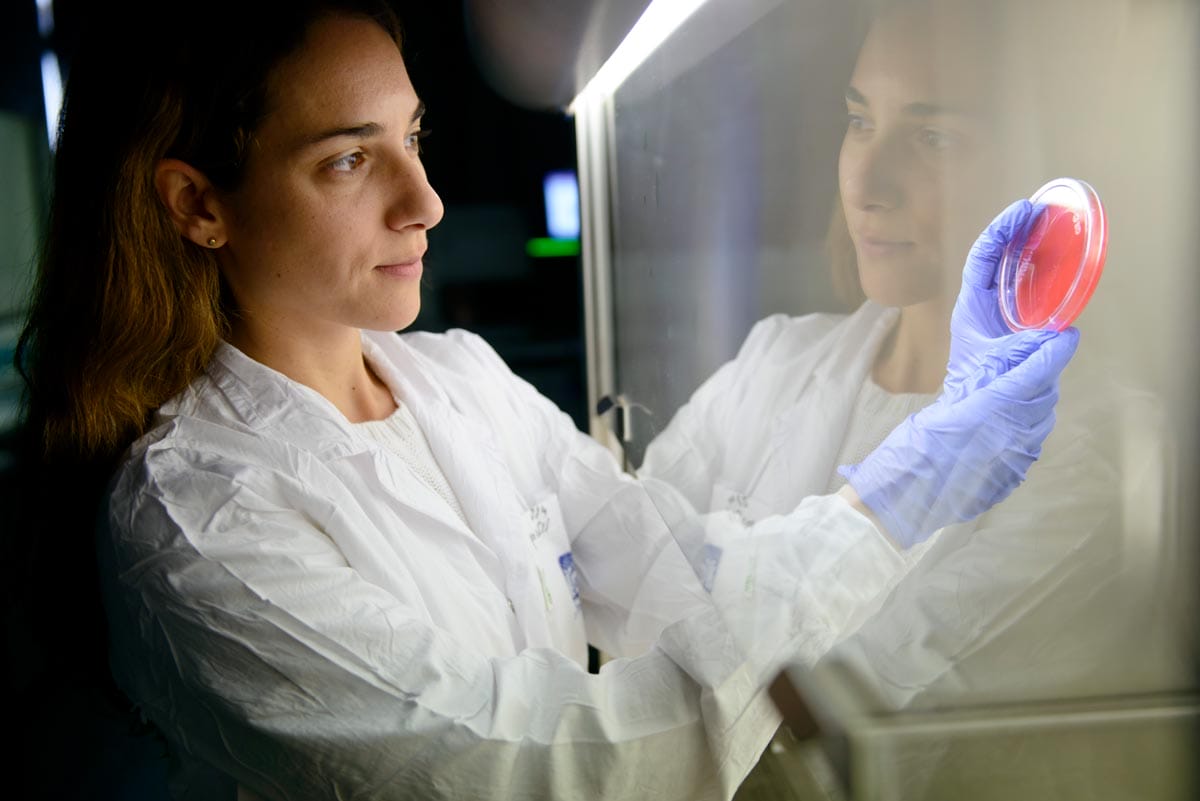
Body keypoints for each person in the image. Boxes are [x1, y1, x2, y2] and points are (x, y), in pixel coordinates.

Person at [13, 0, 1077, 798]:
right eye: (348, 160)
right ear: (200, 204)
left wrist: (903, 487)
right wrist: (894, 498)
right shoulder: (199, 522)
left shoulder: (458, 379)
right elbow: (541, 769)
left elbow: (679, 577)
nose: (422, 202)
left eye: (413, 140)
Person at [640, 0, 1175, 730]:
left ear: (1050, 183)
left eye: (934, 138)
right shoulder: (777, 359)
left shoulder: (1093, 450)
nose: (866, 183)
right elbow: (627, 575)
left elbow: (835, 724)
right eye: (860, 122)